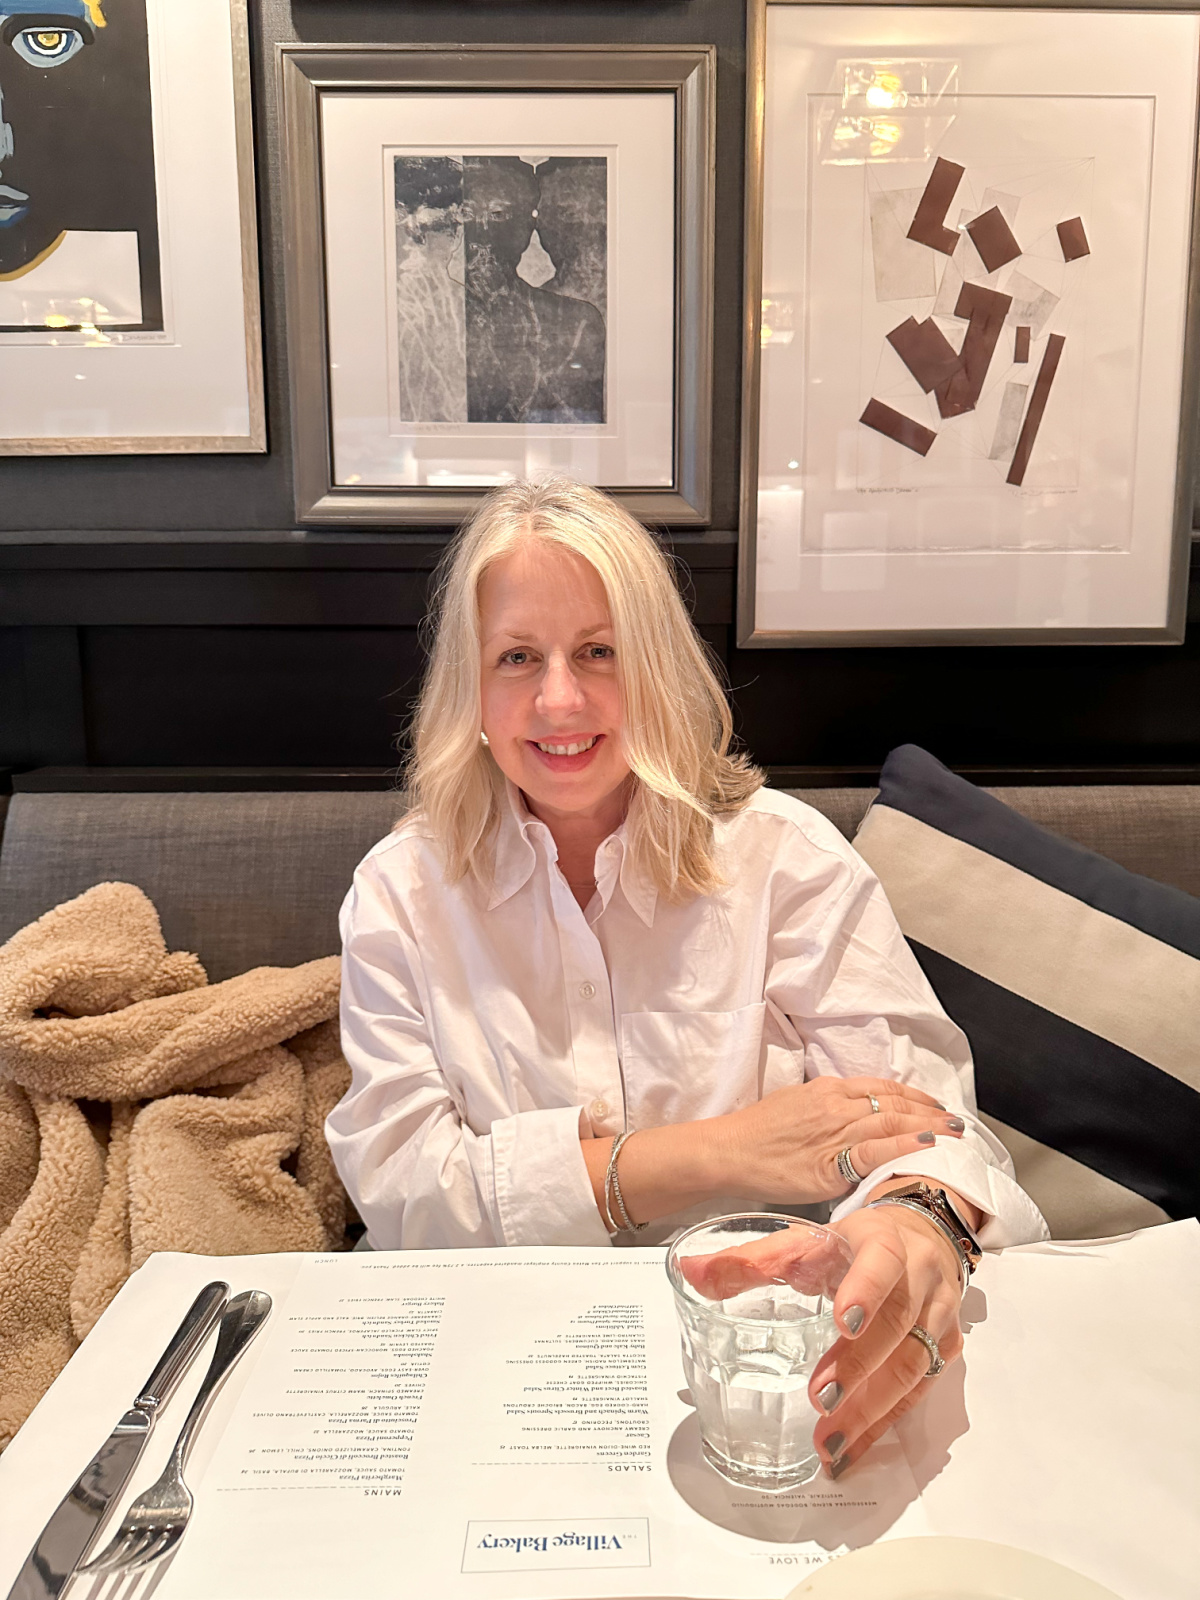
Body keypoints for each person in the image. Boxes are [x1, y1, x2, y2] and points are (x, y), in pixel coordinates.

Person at [328, 478, 1048, 1480]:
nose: (561, 699)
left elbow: (922, 1121)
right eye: (517, 658)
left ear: (654, 666)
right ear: (472, 692)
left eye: (598, 651)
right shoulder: (401, 895)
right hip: (489, 1369)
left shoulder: (785, 861)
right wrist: (722, 1152)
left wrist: (911, 1213)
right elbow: (407, 1199)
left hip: (772, 1363)